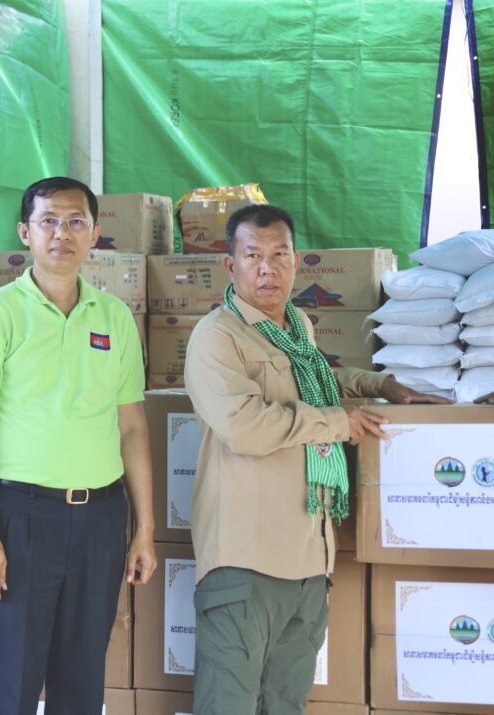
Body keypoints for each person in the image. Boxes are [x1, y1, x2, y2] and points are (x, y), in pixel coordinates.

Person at [184, 204, 450, 715]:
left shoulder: (296, 327)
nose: (268, 268)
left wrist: (381, 385)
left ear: (296, 260)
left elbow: (316, 379)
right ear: (231, 265)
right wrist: (337, 422)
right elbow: (244, 426)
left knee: (286, 705)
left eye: (279, 254)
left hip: (309, 560)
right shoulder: (217, 336)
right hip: (246, 562)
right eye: (253, 256)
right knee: (228, 706)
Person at [0, 176, 157, 714]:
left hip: (101, 520)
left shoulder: (114, 317)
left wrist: (144, 529)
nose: (61, 234)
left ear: (95, 233)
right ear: (25, 232)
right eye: (48, 221)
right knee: (15, 683)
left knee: (82, 683)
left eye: (75, 222)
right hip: (21, 519)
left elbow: (133, 429)